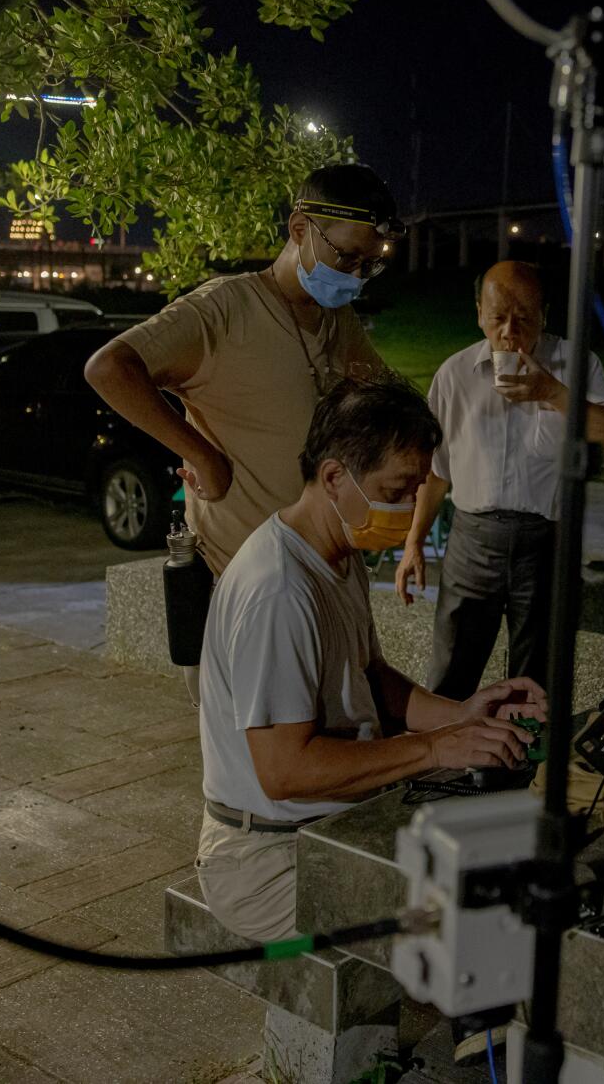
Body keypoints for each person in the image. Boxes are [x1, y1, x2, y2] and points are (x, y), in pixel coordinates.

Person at [198, 377, 546, 940]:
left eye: (418, 488)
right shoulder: (281, 591)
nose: (413, 507)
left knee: (508, 860)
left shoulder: (337, 551)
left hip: (324, 824)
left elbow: (371, 679)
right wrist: (434, 748)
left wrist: (463, 714)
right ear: (336, 477)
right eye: (399, 488)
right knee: (484, 925)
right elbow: (285, 770)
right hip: (267, 860)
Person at [84, 164, 401, 575]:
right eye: (346, 256)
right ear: (300, 228)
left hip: (330, 567)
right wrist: (201, 456)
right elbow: (109, 368)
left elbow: (384, 399)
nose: (356, 277)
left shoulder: (338, 319)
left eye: (370, 265)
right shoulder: (224, 309)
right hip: (249, 580)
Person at [394, 262, 604, 697]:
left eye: (523, 317)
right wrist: (414, 542)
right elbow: (437, 472)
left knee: (535, 680)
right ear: (479, 312)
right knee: (450, 671)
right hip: (471, 539)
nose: (509, 331)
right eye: (497, 316)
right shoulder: (454, 375)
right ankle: (447, 760)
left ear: (544, 314)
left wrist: (553, 393)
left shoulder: (573, 362)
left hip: (547, 541)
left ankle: (525, 763)